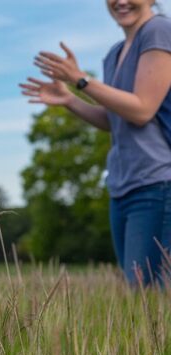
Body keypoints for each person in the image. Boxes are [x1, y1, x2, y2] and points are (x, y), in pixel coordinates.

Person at [21, 0, 171, 286]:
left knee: (150, 297)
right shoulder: (114, 54)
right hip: (123, 185)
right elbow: (114, 120)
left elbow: (142, 110)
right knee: (139, 294)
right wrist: (69, 99)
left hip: (159, 182)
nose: (121, 1)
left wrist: (80, 79)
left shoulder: (160, 31)